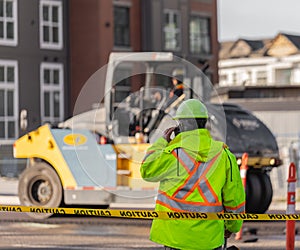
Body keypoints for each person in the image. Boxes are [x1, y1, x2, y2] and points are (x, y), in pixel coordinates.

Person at [140, 99, 245, 250]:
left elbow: (146, 170)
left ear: (180, 126)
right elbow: (234, 198)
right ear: (205, 123)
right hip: (210, 239)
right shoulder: (224, 155)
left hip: (174, 238)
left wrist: (162, 142)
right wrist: (232, 226)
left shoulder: (173, 154)